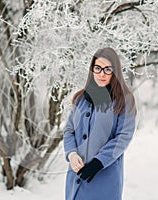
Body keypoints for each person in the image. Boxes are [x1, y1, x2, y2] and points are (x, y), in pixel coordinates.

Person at [63, 47, 137, 200]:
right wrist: (71, 153)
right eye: (98, 68)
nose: (102, 74)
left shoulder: (125, 100)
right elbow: (69, 130)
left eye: (107, 69)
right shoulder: (80, 98)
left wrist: (99, 162)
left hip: (105, 178)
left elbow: (123, 136)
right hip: (76, 177)